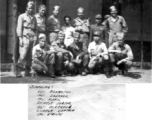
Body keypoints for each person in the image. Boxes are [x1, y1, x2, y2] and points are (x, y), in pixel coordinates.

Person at [16, 1, 37, 77]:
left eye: (32, 8)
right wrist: (20, 39)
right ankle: (18, 71)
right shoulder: (22, 16)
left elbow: (36, 29)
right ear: (26, 8)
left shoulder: (34, 17)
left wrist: (35, 37)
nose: (31, 9)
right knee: (23, 55)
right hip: (25, 38)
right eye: (29, 8)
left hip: (32, 39)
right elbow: (19, 29)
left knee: (30, 56)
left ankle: (27, 71)